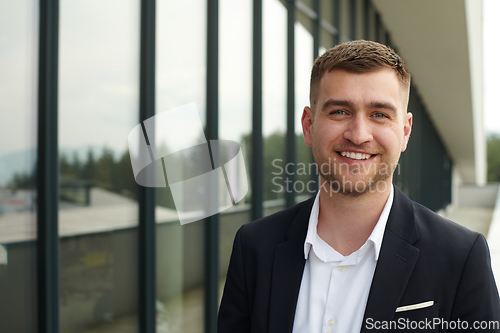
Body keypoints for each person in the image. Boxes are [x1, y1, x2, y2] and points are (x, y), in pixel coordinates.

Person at [218, 40, 500, 333]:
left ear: (404, 132)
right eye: (340, 111)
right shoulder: (254, 247)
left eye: (379, 114)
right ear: (308, 125)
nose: (358, 135)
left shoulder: (461, 257)